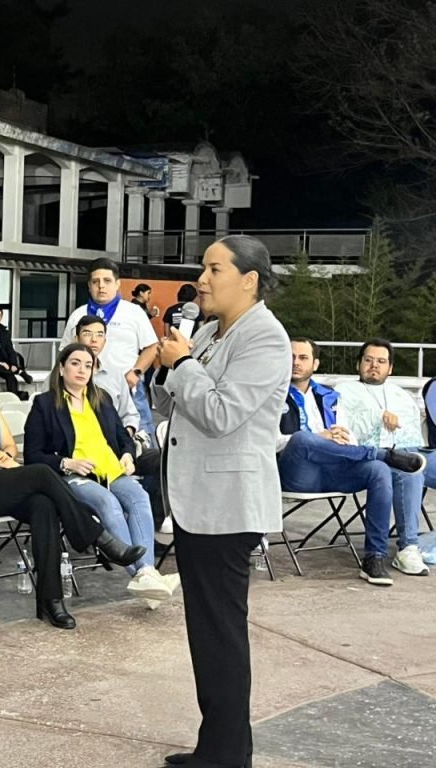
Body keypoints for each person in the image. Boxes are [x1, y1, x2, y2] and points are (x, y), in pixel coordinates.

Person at [152, 234, 290, 768]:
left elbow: (221, 413)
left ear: (248, 280)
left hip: (228, 505)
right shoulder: (210, 330)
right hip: (197, 501)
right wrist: (169, 366)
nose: (202, 280)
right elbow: (179, 403)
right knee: (206, 632)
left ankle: (230, 755)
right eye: (203, 268)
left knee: (222, 633)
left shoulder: (266, 339)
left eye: (214, 269)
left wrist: (183, 364)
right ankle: (217, 746)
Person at [0, 343, 145, 630]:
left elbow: (10, 446)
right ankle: (96, 536)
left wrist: (2, 455)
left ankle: (50, 602)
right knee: (41, 472)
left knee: (44, 505)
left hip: (0, 478)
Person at [24, 343, 179, 605]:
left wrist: (128, 454)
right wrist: (67, 463)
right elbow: (32, 455)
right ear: (61, 368)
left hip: (112, 471)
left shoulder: (101, 398)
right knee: (108, 503)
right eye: (75, 363)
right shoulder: (45, 404)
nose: (82, 370)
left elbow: (122, 437)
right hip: (74, 476)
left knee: (138, 497)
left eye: (88, 365)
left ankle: (146, 575)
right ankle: (143, 574)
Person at [277, 338, 423, 586]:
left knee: (378, 471)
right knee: (302, 439)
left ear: (316, 363)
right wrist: (318, 438)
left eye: (303, 358)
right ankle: (383, 454)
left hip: (333, 470)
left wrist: (343, 438)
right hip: (297, 472)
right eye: (291, 357)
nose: (295, 363)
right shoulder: (271, 395)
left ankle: (374, 557)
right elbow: (268, 440)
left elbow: (348, 437)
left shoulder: (329, 397)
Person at [334, 338, 434, 578]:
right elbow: (346, 428)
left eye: (381, 361)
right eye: (368, 360)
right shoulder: (343, 391)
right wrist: (379, 416)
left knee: (413, 461)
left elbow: (413, 433)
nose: (373, 366)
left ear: (391, 368)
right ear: (358, 364)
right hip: (373, 457)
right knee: (409, 469)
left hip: (411, 450)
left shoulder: (400, 395)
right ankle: (408, 547)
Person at [76, 315, 165, 530]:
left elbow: (130, 414)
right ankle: (110, 527)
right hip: (86, 454)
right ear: (77, 337)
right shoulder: (65, 376)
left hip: (122, 447)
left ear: (105, 341)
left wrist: (126, 435)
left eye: (100, 335)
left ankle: (152, 524)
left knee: (164, 460)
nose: (93, 340)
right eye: (87, 333)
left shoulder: (115, 375)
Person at [61, 259, 158, 440]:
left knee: (142, 445)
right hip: (87, 391)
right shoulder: (78, 315)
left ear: (117, 284)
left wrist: (135, 373)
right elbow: (66, 352)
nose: (101, 287)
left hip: (128, 389)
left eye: (107, 281)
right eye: (96, 282)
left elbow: (152, 347)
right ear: (89, 285)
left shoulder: (133, 312)